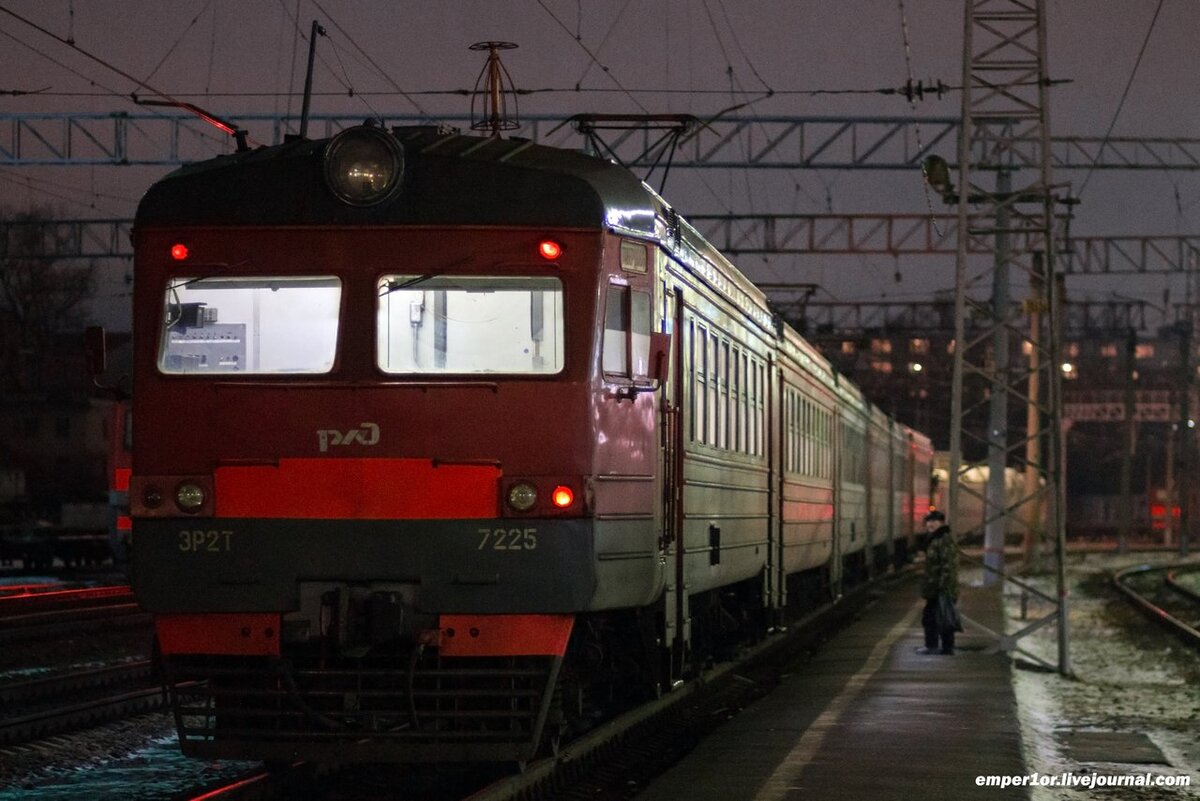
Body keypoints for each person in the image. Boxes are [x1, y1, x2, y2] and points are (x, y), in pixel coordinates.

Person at [917, 510, 960, 655]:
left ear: (941, 523)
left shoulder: (943, 539)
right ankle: (938, 646)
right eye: (928, 521)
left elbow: (948, 566)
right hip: (935, 588)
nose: (930, 524)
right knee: (936, 617)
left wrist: (944, 587)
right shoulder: (935, 539)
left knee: (939, 618)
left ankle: (939, 647)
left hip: (941, 588)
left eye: (933, 521)